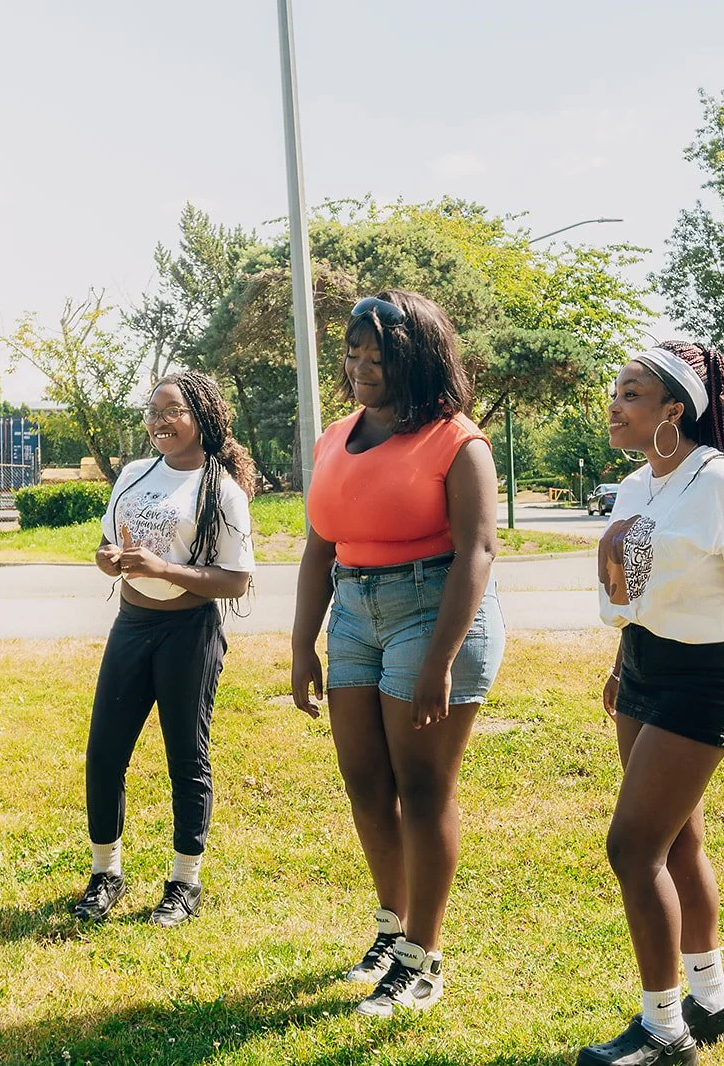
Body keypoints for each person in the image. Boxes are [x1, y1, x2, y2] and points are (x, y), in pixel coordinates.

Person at [290, 290, 504, 1019]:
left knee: (422, 785)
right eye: (353, 353)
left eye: (377, 356)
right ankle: (392, 926)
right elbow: (319, 545)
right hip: (353, 612)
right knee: (364, 781)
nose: (360, 367)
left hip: (432, 611)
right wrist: (302, 643)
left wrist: (441, 659)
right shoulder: (335, 436)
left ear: (415, 359)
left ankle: (422, 957)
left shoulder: (457, 441)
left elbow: (478, 551)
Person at [577, 343, 724, 1066]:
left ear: (673, 411)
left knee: (632, 848)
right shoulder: (636, 486)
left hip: (705, 676)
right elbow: (639, 588)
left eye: (631, 393)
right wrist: (621, 661)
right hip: (643, 667)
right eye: (615, 391)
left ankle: (664, 1032)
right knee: (676, 842)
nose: (614, 404)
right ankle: (712, 1004)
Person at [73, 369, 256, 929]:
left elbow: (236, 580)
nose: (159, 422)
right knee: (104, 753)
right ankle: (105, 872)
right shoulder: (134, 474)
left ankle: (184, 881)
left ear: (202, 417)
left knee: (186, 759)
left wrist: (165, 569)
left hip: (188, 633)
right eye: (152, 412)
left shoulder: (220, 490)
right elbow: (108, 541)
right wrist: (108, 558)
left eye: (172, 411)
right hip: (131, 625)